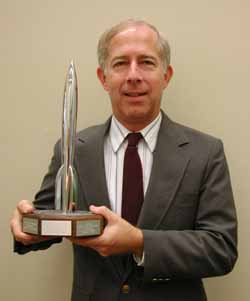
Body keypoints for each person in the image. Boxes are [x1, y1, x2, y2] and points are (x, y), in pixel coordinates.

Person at [10, 19, 237, 301]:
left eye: (146, 62)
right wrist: (27, 228)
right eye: (120, 64)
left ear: (166, 75)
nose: (133, 75)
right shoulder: (72, 151)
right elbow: (51, 219)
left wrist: (140, 242)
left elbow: (221, 249)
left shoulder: (205, 152)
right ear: (103, 78)